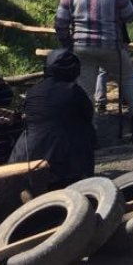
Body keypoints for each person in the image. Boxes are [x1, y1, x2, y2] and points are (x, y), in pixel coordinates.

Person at [55, 0, 133, 138]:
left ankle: (89, 131)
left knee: (85, 89)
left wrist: (67, 44)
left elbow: (60, 23)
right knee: (128, 78)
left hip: (81, 47)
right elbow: (130, 16)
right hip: (111, 46)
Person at [9, 49, 95, 191]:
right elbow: (88, 115)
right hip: (64, 162)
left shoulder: (34, 90)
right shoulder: (74, 91)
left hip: (26, 157)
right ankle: (84, 177)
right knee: (86, 130)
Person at [92, 0, 133, 115]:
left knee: (101, 73)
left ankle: (100, 101)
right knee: (125, 75)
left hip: (96, 40)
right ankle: (128, 102)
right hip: (116, 40)